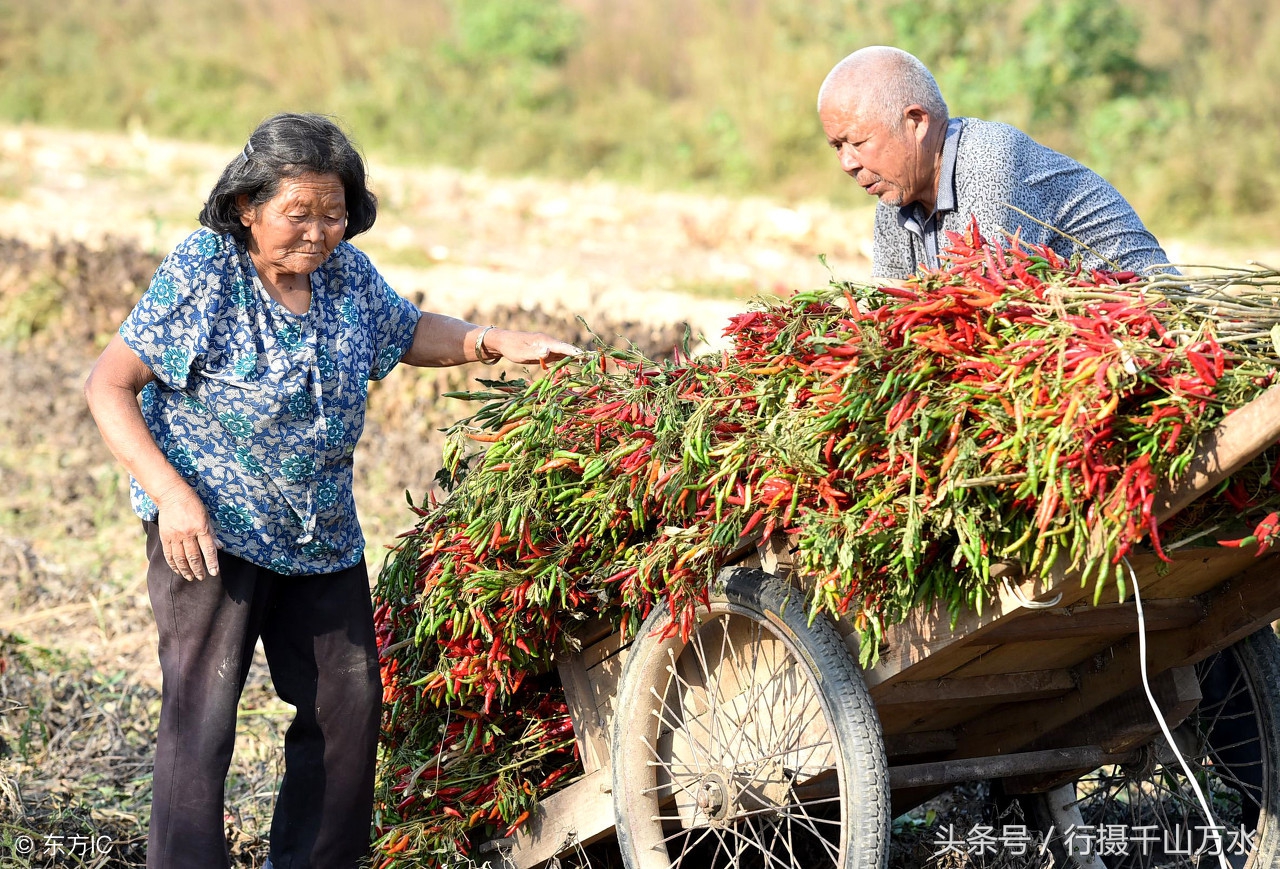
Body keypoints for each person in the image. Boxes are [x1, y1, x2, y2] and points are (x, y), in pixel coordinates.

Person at [83, 112, 580, 869]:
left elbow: (407, 330)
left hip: (319, 533)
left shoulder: (346, 276)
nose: (318, 232)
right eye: (298, 214)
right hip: (209, 527)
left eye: (335, 213)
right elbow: (108, 384)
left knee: (346, 710)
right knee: (204, 714)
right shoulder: (206, 271)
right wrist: (172, 494)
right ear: (248, 207)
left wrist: (491, 341)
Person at [817, 46, 1172, 278]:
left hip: (1148, 330)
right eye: (837, 146)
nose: (848, 162)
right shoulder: (895, 197)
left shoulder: (989, 161)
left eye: (859, 142)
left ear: (917, 122)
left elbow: (989, 303)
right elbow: (891, 313)